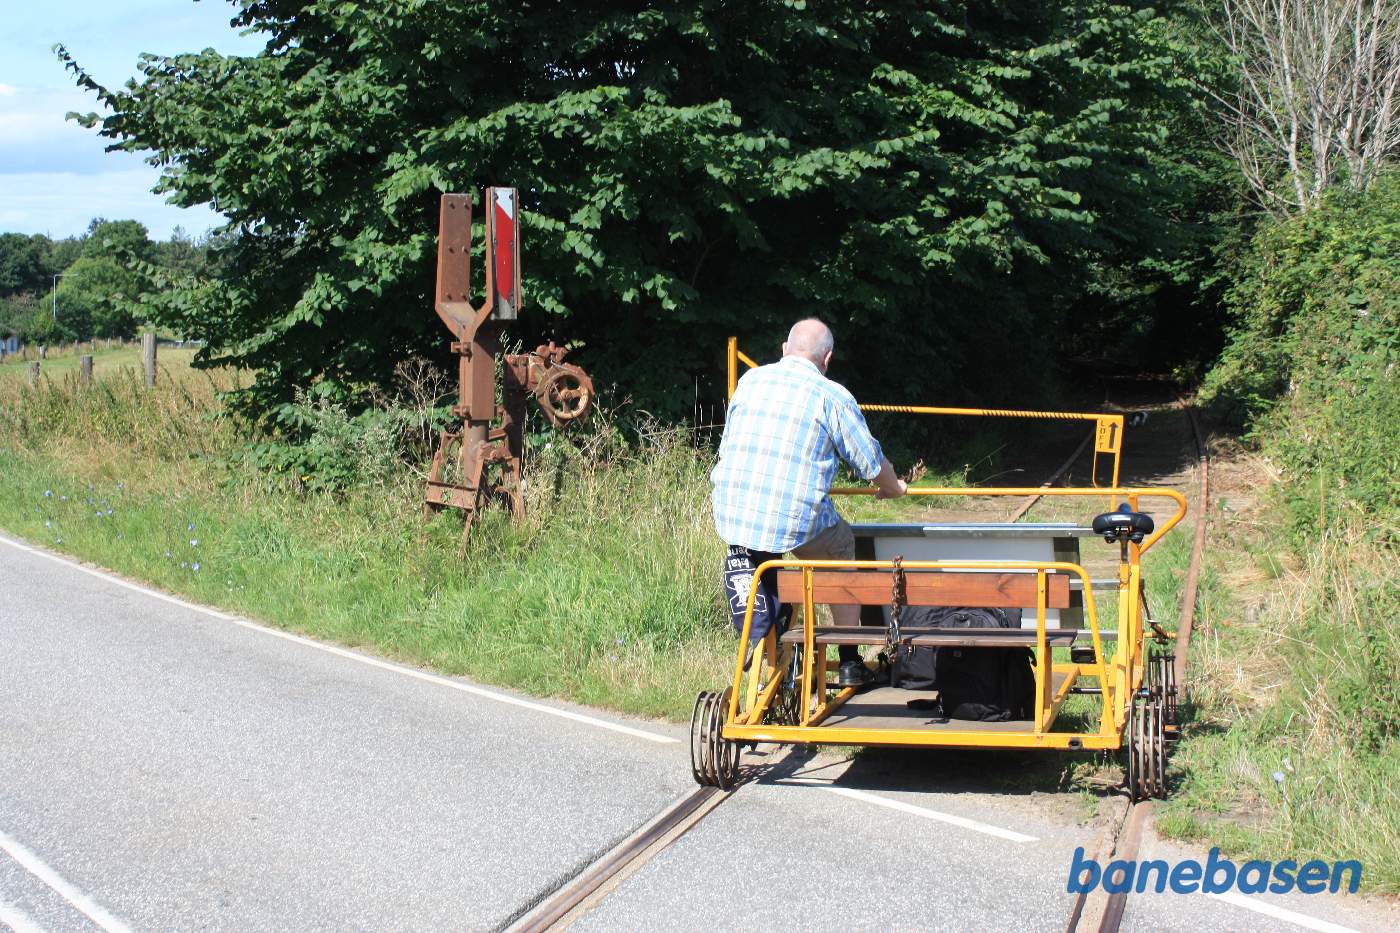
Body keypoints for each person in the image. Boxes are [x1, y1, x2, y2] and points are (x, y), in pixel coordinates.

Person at [710, 318, 907, 687]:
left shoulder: (750, 381)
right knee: (841, 547)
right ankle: (849, 661)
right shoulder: (831, 395)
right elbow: (869, 462)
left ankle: (774, 629)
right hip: (791, 519)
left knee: (769, 548)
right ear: (827, 358)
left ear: (785, 348)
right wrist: (894, 486)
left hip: (732, 511)